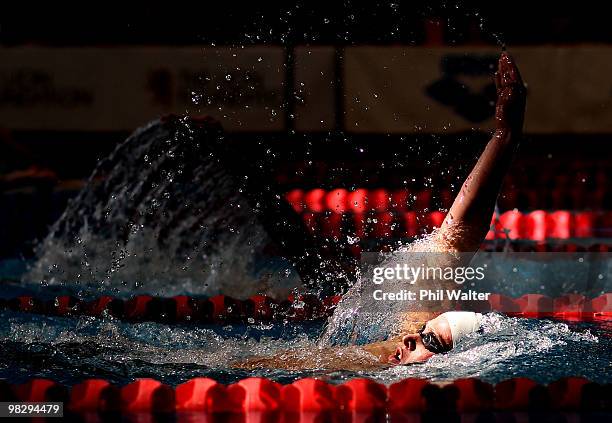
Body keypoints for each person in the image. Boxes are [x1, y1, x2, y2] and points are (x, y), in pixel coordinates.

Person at [234, 51, 526, 369]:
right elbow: (456, 236)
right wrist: (505, 136)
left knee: (313, 267)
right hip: (344, 295)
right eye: (426, 332)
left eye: (432, 342)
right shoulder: (396, 341)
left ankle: (234, 159)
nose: (412, 338)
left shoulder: (382, 363)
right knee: (316, 269)